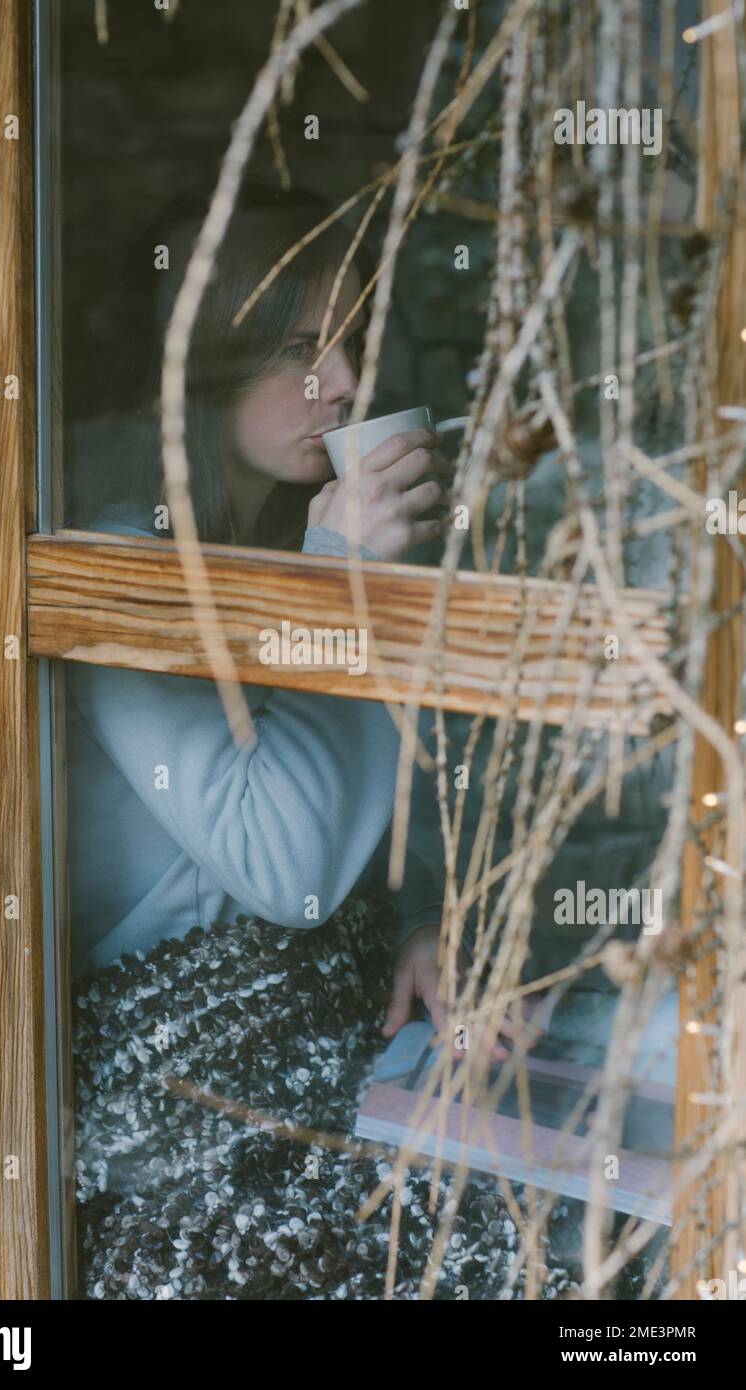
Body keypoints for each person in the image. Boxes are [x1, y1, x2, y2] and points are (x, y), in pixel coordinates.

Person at [66, 183, 519, 1057]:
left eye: (350, 343)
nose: (347, 383)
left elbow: (370, 793)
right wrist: (348, 578)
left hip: (312, 1018)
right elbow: (286, 870)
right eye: (301, 348)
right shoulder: (119, 563)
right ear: (204, 363)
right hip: (169, 1065)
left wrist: (418, 914)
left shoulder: (277, 537)